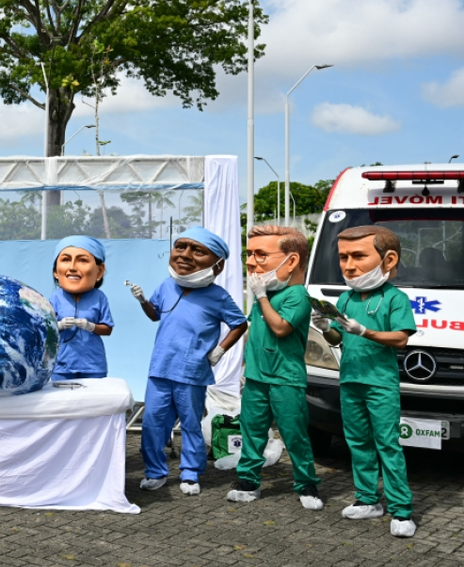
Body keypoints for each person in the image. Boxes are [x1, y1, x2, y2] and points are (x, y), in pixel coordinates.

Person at [313, 225, 417, 538]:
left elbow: (400, 339)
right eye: (343, 257)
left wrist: (366, 331)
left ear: (388, 260)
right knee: (357, 443)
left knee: (387, 445)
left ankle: (401, 510)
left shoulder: (395, 299)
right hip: (350, 381)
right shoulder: (345, 299)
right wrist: (324, 326)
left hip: (380, 383)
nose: (348, 265)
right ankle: (368, 500)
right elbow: (337, 338)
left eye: (358, 255)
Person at [128, 226, 247, 496]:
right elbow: (155, 315)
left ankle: (191, 473)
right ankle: (155, 472)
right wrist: (142, 300)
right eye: (180, 247)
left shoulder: (218, 296)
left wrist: (220, 350)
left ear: (218, 265)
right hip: (160, 368)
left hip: (192, 372)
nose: (185, 254)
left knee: (190, 424)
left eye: (197, 250)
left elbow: (239, 324)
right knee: (152, 425)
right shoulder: (167, 286)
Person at [226, 225, 322, 509]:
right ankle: (248, 480)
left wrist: (261, 297)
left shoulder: (297, 296)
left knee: (294, 433)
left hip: (285, 378)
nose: (249, 262)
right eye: (248, 254)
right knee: (252, 429)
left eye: (260, 254)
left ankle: (307, 483)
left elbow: (280, 328)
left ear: (291, 261)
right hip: (256, 376)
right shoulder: (264, 294)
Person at [49, 236, 114, 380]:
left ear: (99, 271)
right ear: (55, 271)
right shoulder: (55, 298)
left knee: (94, 402)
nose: (72, 267)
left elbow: (108, 329)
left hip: (93, 365)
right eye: (65, 260)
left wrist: (90, 326)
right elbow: (45, 330)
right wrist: (59, 325)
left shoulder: (99, 297)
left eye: (82, 260)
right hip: (61, 366)